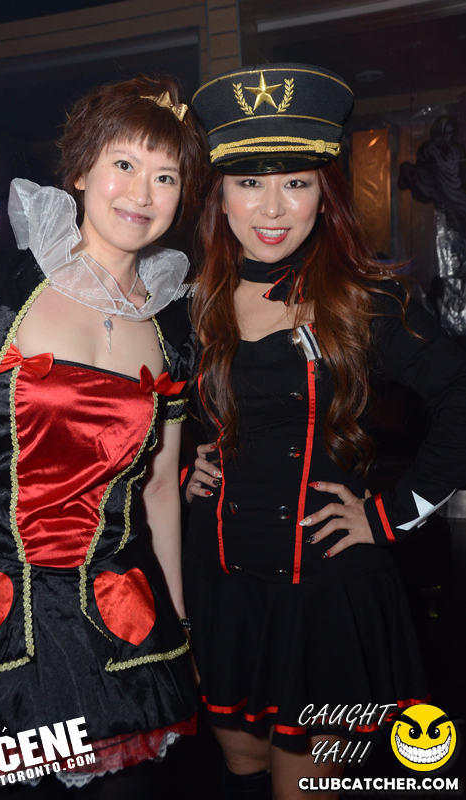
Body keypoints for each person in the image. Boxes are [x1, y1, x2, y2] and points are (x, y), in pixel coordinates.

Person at [182, 63, 466, 799]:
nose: (273, 207)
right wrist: (183, 466)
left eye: (297, 182)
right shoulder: (188, 302)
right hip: (222, 595)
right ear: (218, 193)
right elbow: (143, 417)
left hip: (326, 602)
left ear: (325, 191)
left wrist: (391, 515)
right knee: (240, 773)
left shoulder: (364, 300)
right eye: (249, 182)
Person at [0, 75, 207, 798]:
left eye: (165, 176)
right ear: (81, 172)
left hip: (124, 623)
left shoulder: (174, 326)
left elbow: (160, 490)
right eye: (124, 164)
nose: (142, 193)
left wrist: (180, 626)